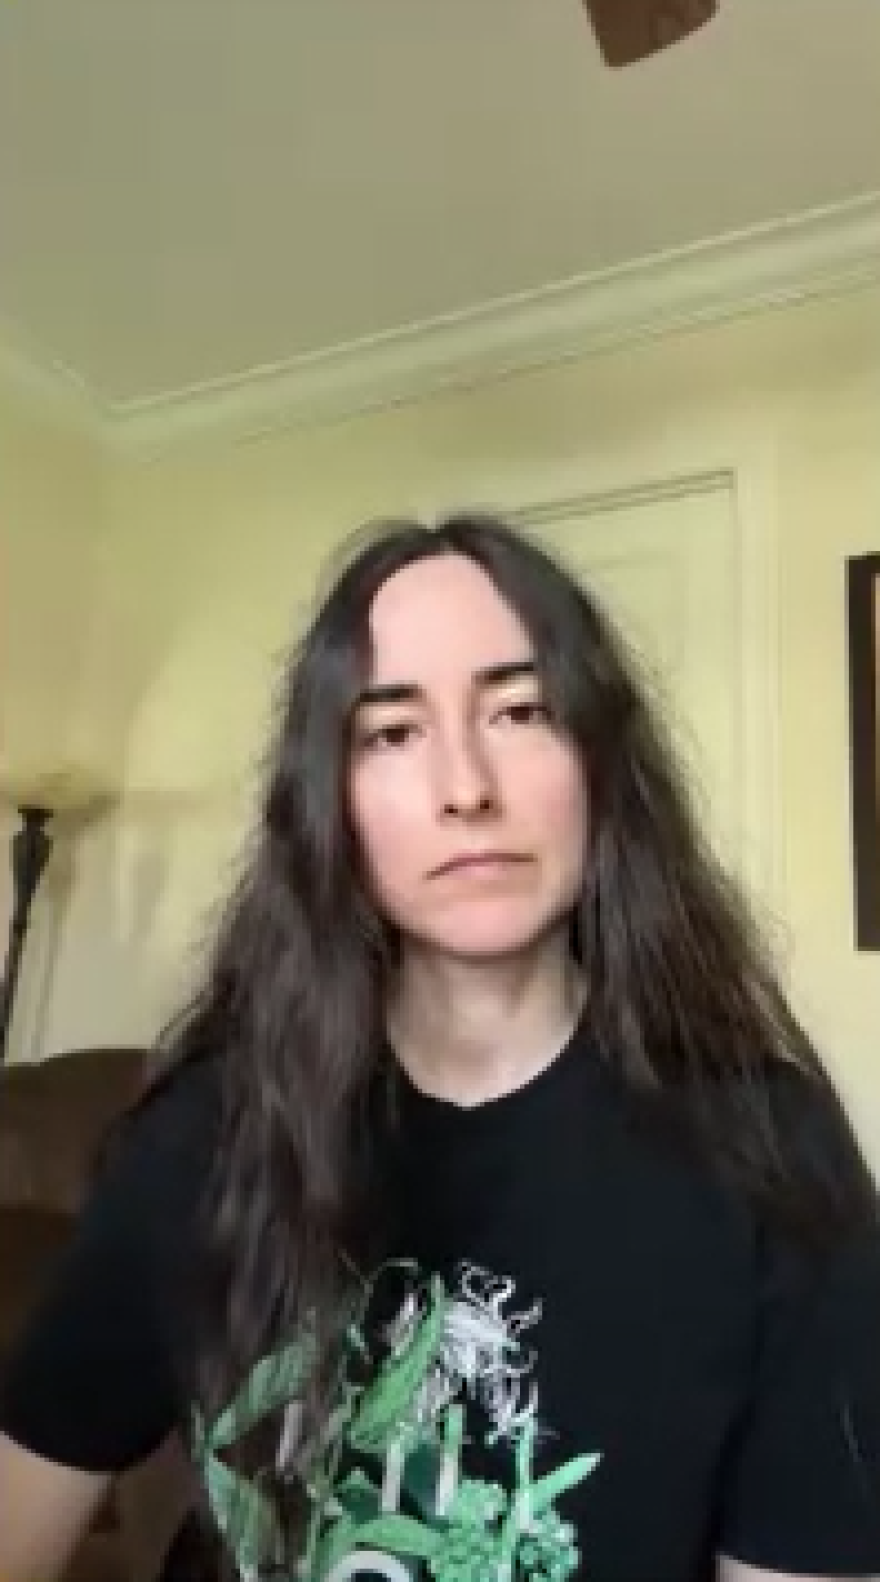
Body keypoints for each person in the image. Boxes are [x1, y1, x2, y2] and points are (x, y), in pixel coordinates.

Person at [1, 513, 878, 1582]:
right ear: (329, 803)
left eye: (520, 710)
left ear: (601, 765)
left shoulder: (768, 1156)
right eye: (391, 732)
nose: (466, 788)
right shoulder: (206, 1138)